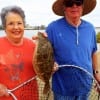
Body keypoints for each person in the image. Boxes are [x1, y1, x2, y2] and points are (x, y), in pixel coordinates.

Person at [44, 0, 100, 100]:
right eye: (70, 3)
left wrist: (97, 73)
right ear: (64, 7)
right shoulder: (52, 28)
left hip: (85, 86)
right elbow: (44, 54)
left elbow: (93, 52)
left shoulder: (90, 28)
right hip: (62, 89)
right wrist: (50, 65)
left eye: (78, 2)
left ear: (82, 6)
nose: (74, 6)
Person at [0, 6, 39, 100]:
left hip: (31, 96)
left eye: (19, 23)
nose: (16, 27)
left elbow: (41, 71)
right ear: (4, 27)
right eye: (11, 24)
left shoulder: (33, 46)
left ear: (24, 25)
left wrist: (51, 67)